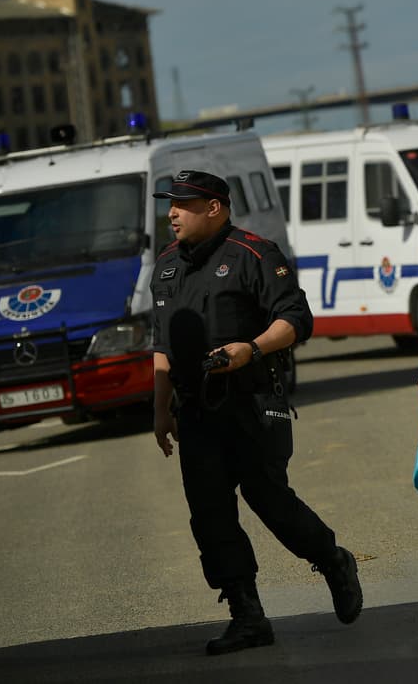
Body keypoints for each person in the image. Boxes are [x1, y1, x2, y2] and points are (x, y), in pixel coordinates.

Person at [150, 169, 362, 655]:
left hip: (252, 401)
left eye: (183, 204)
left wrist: (253, 347)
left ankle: (331, 559)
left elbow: (296, 319)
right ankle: (247, 615)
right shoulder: (165, 267)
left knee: (268, 499)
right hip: (197, 412)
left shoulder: (253, 253)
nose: (172, 213)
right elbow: (161, 344)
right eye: (171, 204)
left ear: (214, 208)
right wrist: (160, 410)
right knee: (210, 513)